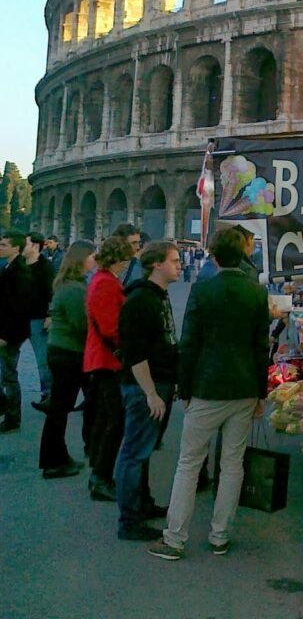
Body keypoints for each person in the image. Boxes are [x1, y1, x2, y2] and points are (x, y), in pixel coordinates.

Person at [148, 228, 270, 560]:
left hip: (207, 387)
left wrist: (183, 389)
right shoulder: (257, 293)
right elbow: (262, 347)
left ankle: (174, 539)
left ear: (213, 256)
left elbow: (189, 345)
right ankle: (220, 535)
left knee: (189, 462)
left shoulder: (202, 291)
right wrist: (262, 393)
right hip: (244, 388)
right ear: (244, 254)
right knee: (233, 463)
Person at [115, 241, 181, 541]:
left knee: (143, 449)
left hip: (158, 382)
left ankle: (141, 503)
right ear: (157, 264)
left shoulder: (157, 296)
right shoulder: (141, 300)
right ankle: (129, 520)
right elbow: (134, 353)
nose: (179, 265)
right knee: (135, 452)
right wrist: (151, 392)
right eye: (174, 260)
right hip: (145, 386)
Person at [38, 240, 96, 478]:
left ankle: (58, 458)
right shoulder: (74, 289)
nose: (95, 260)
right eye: (93, 256)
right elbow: (82, 325)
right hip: (68, 354)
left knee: (59, 410)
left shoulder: (73, 285)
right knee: (59, 412)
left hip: (64, 352)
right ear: (82, 259)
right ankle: (53, 462)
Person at [84, 235, 134, 500]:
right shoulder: (105, 283)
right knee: (115, 420)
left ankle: (99, 471)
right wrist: (126, 344)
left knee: (110, 417)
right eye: (125, 258)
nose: (127, 264)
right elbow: (109, 326)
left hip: (103, 356)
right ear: (117, 258)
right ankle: (101, 476)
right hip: (106, 358)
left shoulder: (104, 280)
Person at [0, 231, 33, 433]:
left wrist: (5, 336)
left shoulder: (20, 273)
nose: (0, 247)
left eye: (4, 245)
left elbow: (18, 309)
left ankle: (12, 416)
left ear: (15, 248)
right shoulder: (9, 268)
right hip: (6, 330)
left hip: (10, 333)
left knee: (9, 375)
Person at [23, 232, 55, 410]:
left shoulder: (45, 266)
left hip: (38, 318)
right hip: (18, 319)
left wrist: (50, 315)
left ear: (36, 246)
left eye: (25, 243)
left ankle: (48, 393)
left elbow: (52, 291)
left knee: (42, 359)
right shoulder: (19, 264)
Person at [111, 223, 142, 289]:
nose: (138, 247)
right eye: (134, 243)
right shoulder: (103, 264)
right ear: (121, 243)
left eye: (139, 243)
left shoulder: (139, 267)